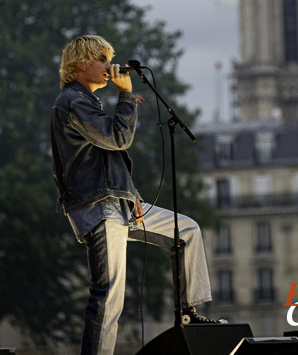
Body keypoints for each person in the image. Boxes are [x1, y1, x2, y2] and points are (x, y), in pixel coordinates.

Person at [50, 35, 224, 355]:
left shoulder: (85, 101)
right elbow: (118, 138)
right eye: (101, 59)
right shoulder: (73, 101)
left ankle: (189, 312)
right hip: (98, 207)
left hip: (118, 202)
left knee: (186, 231)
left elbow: (107, 160)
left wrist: (132, 197)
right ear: (80, 63)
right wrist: (127, 96)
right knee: (108, 296)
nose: (109, 65)